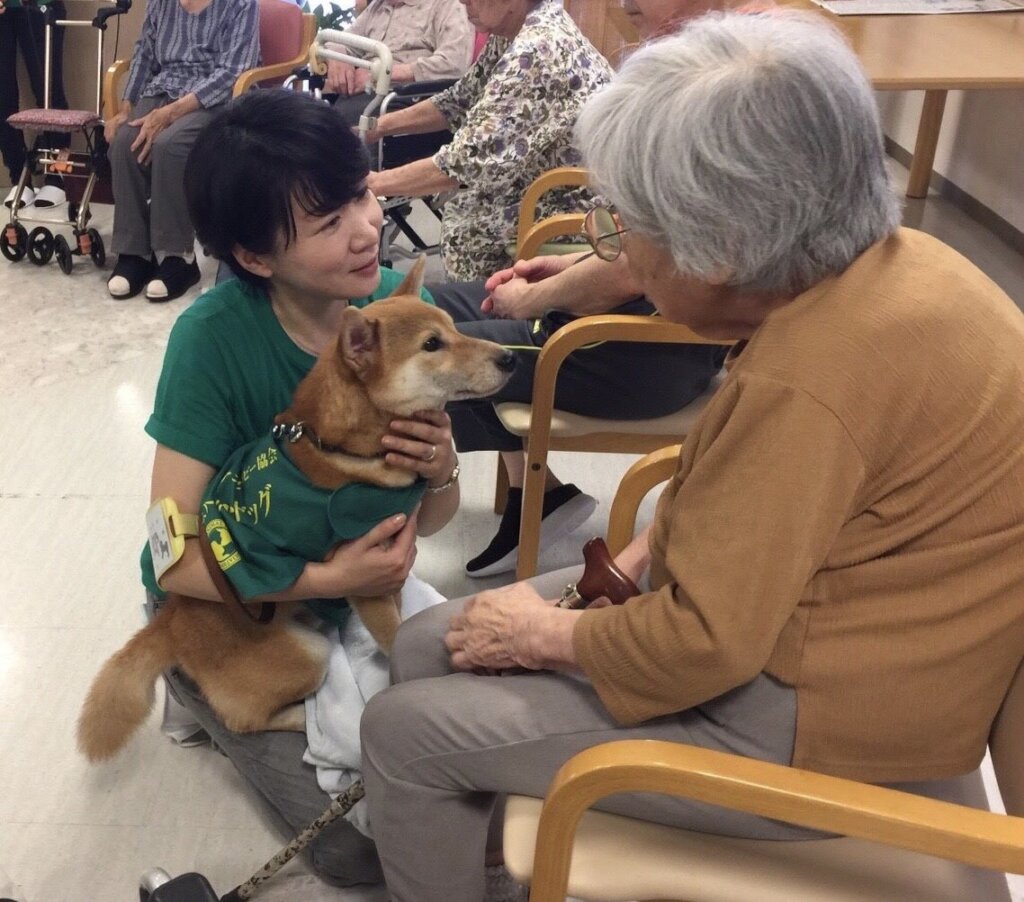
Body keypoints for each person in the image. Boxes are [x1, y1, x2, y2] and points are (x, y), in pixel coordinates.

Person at [359, 12, 1024, 902]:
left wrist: (550, 632)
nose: (619, 251)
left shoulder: (809, 382)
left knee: (404, 732)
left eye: (627, 230)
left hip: (821, 728)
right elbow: (759, 506)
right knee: (428, 642)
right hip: (864, 661)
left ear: (724, 251)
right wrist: (624, 566)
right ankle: (487, 862)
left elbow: (703, 644)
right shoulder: (895, 271)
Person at [142, 89, 461, 886]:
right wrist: (335, 579)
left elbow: (439, 516)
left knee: (447, 782)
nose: (365, 227)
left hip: (350, 582)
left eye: (360, 192)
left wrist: (440, 464)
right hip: (229, 601)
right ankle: (191, 685)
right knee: (356, 854)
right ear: (253, 256)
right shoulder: (211, 340)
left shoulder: (393, 306)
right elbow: (174, 556)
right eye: (327, 222)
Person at [428, 0, 732, 577]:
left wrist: (540, 296)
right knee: (426, 312)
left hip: (640, 351)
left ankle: (380, 522)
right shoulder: (686, 96)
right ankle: (535, 498)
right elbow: (632, 245)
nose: (623, 6)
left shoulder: (712, 107)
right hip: (629, 313)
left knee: (434, 356)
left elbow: (634, 268)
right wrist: (559, 275)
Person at [364, 0, 613, 281]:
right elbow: (458, 100)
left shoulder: (536, 48)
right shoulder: (513, 32)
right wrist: (375, 127)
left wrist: (375, 183)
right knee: (467, 206)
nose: (461, 1)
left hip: (578, 204)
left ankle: (493, 309)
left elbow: (467, 161)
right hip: (545, 182)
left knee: (469, 228)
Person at [104, 0, 259, 302]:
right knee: (124, 141)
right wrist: (125, 109)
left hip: (214, 99)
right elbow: (144, 57)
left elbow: (233, 72)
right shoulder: (160, 3)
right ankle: (134, 253)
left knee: (170, 145)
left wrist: (172, 112)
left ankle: (178, 258)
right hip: (162, 91)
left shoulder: (241, 4)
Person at [324, 0, 475, 126]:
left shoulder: (448, 5)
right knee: (313, 120)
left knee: (335, 130)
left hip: (406, 99)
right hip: (360, 96)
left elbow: (454, 65)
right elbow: (342, 40)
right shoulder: (378, 6)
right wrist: (337, 54)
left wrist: (379, 75)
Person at [0, 0, 70, 209]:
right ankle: (19, 177)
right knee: (3, 97)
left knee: (49, 91)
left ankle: (58, 174)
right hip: (4, 12)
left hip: (43, 7)